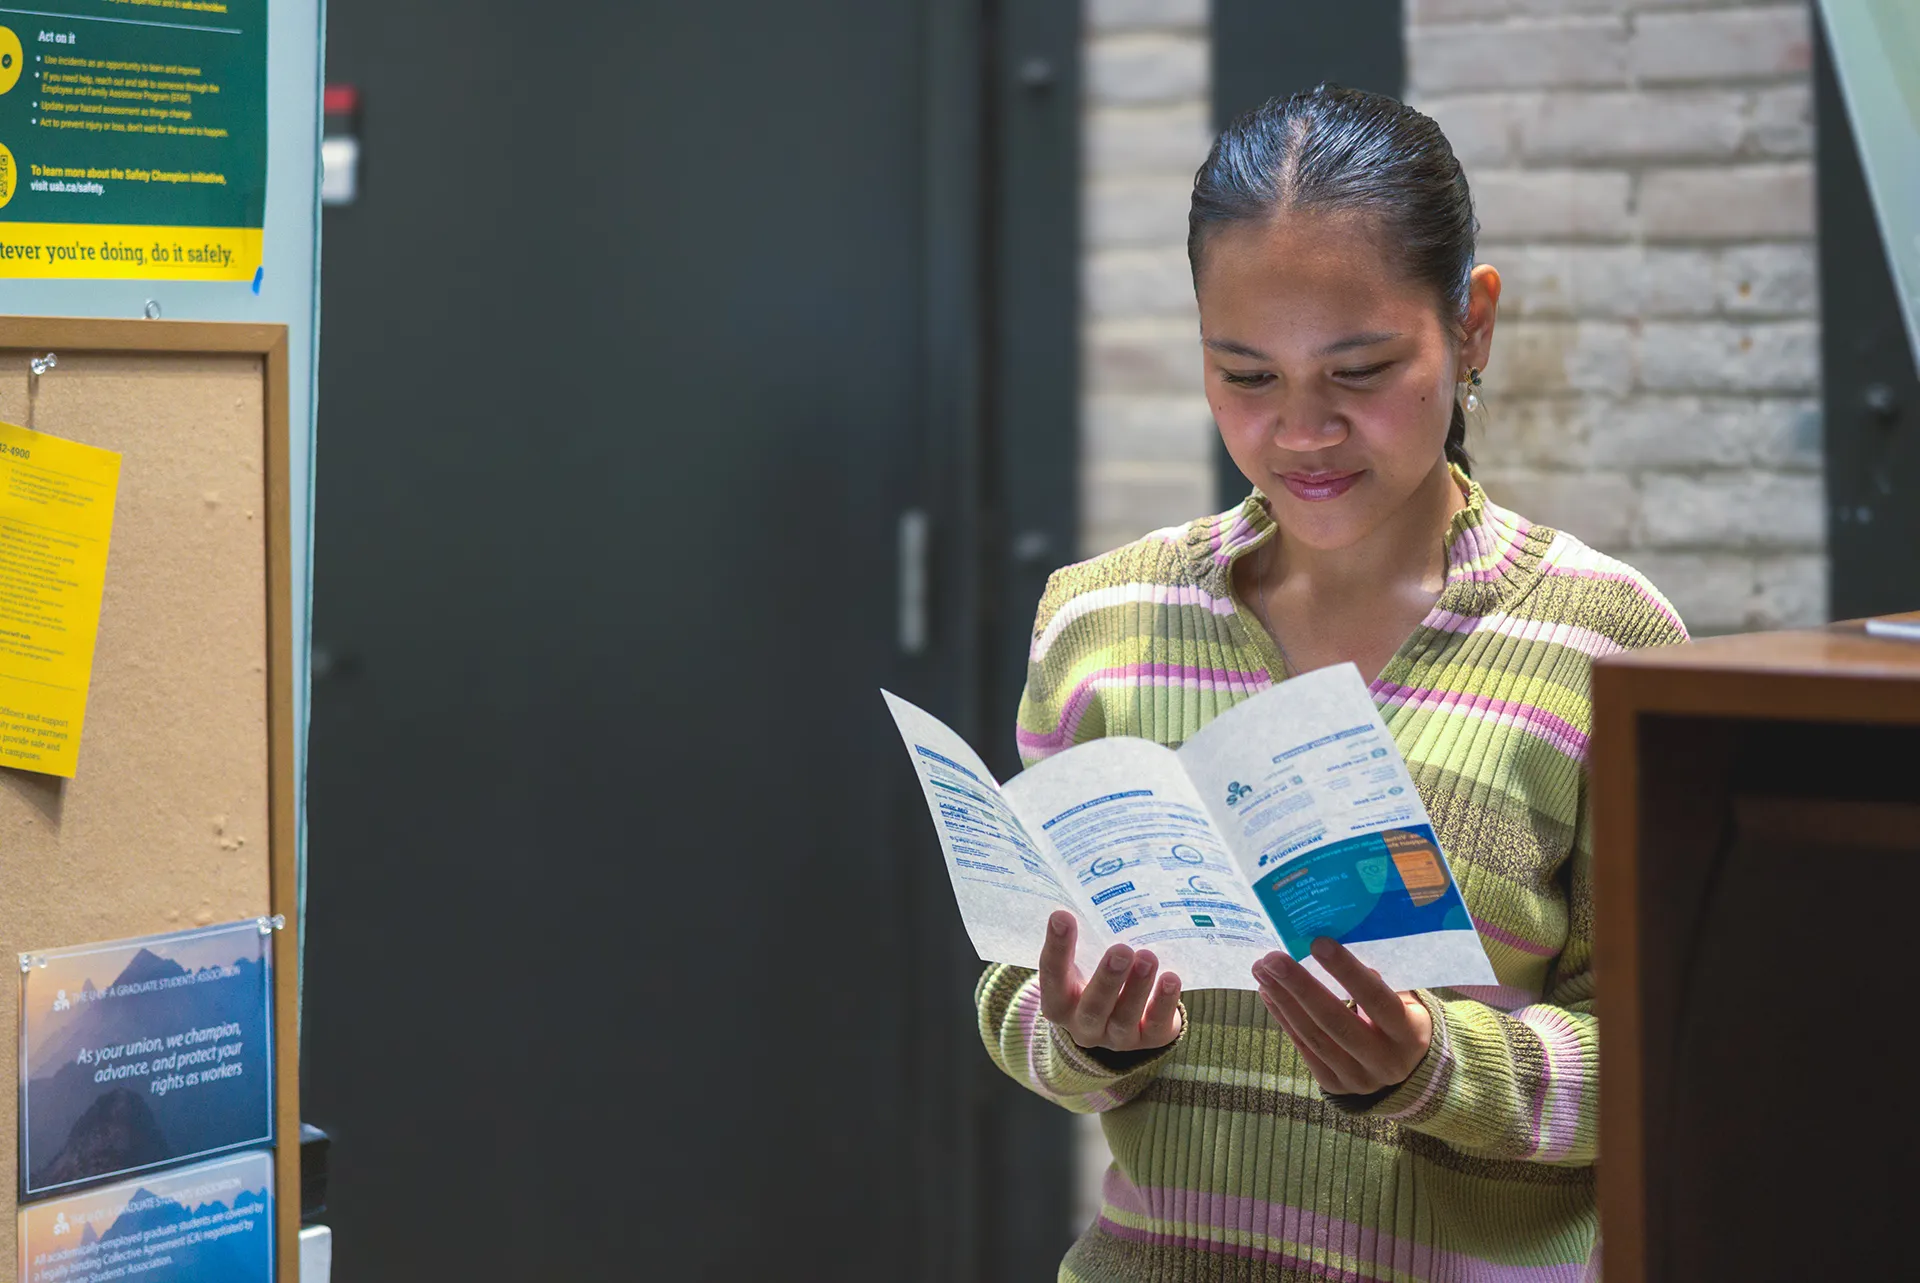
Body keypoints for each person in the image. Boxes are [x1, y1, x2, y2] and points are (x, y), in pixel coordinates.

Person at [975, 85, 1687, 1282]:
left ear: (1471, 327)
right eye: (1245, 375)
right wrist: (1083, 1033)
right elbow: (1016, 996)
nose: (1302, 431)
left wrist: (1436, 1068)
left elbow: (1664, 1058)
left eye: (1359, 369)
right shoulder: (1103, 621)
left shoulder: (1599, 640)